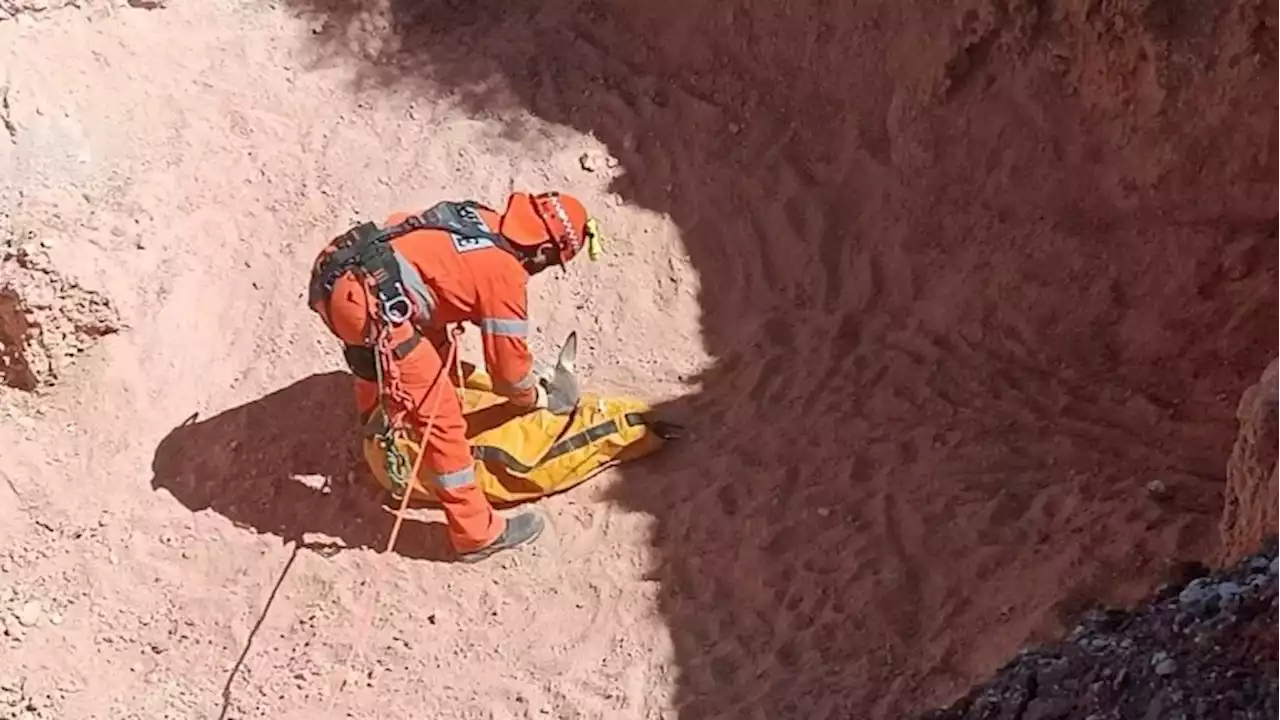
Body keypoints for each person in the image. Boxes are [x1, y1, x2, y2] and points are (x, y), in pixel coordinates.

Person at [307, 191, 596, 563]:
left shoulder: (477, 216)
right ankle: (476, 533)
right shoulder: (505, 274)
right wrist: (537, 399)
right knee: (441, 418)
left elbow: (409, 231)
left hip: (340, 270)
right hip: (368, 305)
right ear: (542, 250)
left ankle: (376, 422)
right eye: (551, 261)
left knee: (412, 347)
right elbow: (508, 377)